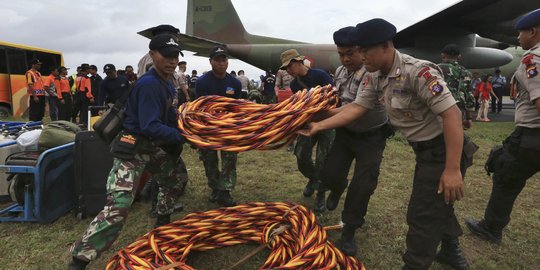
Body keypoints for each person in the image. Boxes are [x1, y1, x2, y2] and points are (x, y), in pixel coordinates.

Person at [297, 19, 475, 270]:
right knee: (435, 204)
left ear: (385, 46)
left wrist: (452, 169)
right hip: (424, 151)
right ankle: (450, 249)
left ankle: (415, 264)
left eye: (364, 50)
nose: (359, 57)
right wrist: (319, 124)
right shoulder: (375, 76)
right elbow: (358, 107)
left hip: (442, 150)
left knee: (421, 216)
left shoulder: (419, 72)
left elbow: (452, 115)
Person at [68, 33, 187, 270]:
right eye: (167, 56)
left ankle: (162, 220)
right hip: (133, 148)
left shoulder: (168, 82)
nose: (172, 61)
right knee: (119, 206)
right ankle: (79, 260)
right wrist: (182, 135)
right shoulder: (150, 84)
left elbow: (167, 117)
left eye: (175, 56)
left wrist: (183, 124)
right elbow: (150, 125)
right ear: (152, 55)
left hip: (153, 147)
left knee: (175, 177)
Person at [465, 8, 540, 246]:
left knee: (506, 177)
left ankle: (491, 227)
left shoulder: (532, 60)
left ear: (533, 31)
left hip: (532, 136)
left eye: (520, 33)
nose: (518, 39)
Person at [320, 26, 391, 256]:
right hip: (345, 134)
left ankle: (349, 229)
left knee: (363, 185)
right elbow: (336, 99)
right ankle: (338, 187)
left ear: (362, 50)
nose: (345, 59)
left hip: (371, 137)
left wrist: (318, 118)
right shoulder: (340, 71)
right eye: (341, 54)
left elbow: (355, 108)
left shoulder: (373, 73)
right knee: (330, 174)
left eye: (350, 53)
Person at [280, 48, 335, 212]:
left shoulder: (320, 75)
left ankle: (320, 195)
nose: (288, 71)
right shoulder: (294, 84)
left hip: (326, 123)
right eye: (285, 69)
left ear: (298, 62)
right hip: (307, 123)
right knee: (301, 156)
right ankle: (314, 179)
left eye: (289, 67)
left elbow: (333, 96)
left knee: (323, 160)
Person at [195, 45, 242, 207]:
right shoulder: (202, 83)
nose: (222, 63)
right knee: (209, 160)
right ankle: (215, 187)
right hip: (208, 128)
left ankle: (225, 191)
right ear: (210, 62)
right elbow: (198, 108)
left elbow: (236, 107)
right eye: (218, 60)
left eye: (224, 60)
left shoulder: (234, 83)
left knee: (229, 159)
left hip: (228, 128)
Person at [438, 44, 475, 129]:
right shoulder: (465, 72)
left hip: (438, 107)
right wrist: (469, 118)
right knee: (455, 133)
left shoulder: (435, 69)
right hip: (457, 108)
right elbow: (469, 95)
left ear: (442, 55)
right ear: (459, 56)